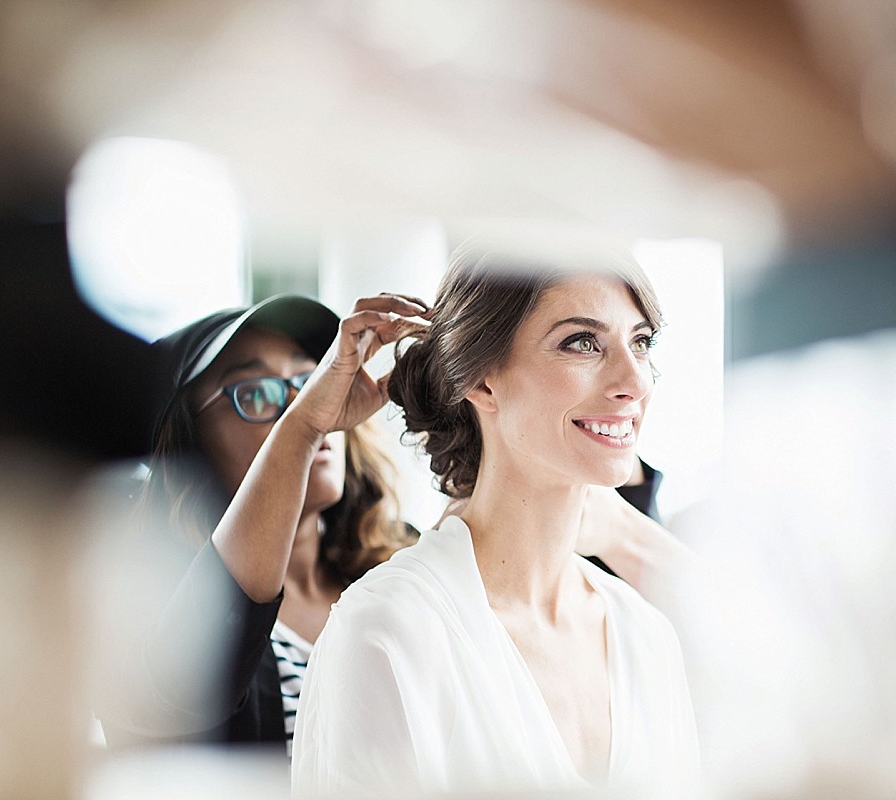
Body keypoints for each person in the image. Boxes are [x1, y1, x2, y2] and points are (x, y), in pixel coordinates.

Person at [291, 240, 700, 796]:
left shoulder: (646, 636)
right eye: (583, 343)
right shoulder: (388, 632)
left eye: (641, 342)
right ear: (481, 381)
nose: (634, 381)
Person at [97, 292, 428, 754]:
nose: (303, 400)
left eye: (309, 378)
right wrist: (303, 425)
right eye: (254, 392)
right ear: (188, 447)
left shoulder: (405, 564)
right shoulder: (146, 612)